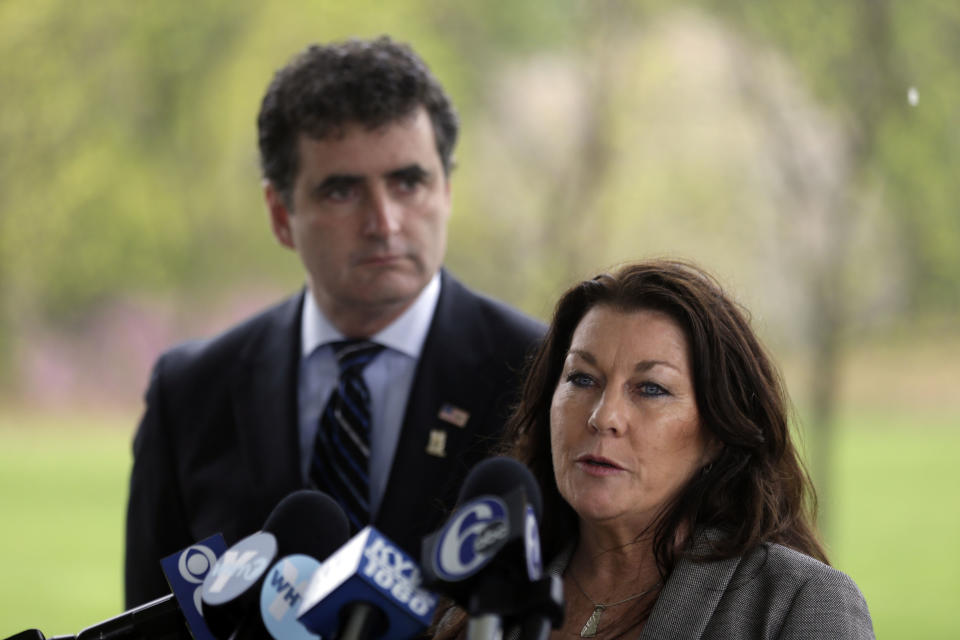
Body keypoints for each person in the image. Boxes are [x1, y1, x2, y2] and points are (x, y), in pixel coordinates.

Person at [124, 36, 545, 608]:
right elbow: (150, 621)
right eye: (342, 190)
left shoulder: (541, 374)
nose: (384, 222)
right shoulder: (191, 394)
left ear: (446, 189)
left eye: (408, 182)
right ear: (280, 214)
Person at [432, 259, 874, 639]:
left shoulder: (795, 604)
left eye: (651, 388)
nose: (604, 417)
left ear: (718, 430)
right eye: (582, 379)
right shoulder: (479, 594)